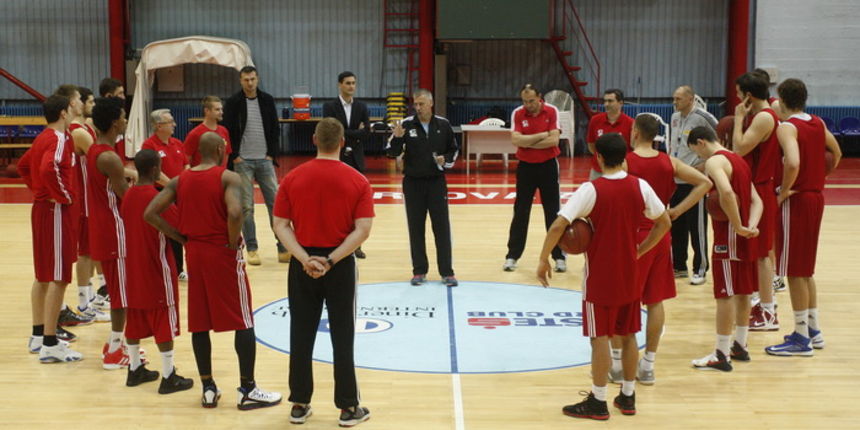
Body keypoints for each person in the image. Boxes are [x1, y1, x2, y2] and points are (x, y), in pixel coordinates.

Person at [536, 132, 670, 420]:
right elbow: (664, 222)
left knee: (599, 338)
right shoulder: (641, 186)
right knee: (629, 335)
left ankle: (598, 401)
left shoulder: (591, 190)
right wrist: (641, 250)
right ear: (624, 157)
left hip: (600, 278)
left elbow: (558, 225)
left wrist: (543, 258)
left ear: (597, 158)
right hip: (630, 274)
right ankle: (628, 396)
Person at [145, 131, 281, 410]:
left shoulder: (180, 180)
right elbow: (235, 213)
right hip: (222, 252)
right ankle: (247, 389)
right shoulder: (227, 177)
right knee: (243, 319)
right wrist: (231, 242)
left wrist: (181, 238)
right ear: (220, 150)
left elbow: (150, 213)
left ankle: (208, 388)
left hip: (195, 254)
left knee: (200, 322)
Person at [273, 118, 374, 427]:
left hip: (302, 265)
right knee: (343, 336)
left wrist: (305, 259)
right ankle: (348, 407)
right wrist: (329, 261)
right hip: (339, 265)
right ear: (342, 142)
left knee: (301, 334)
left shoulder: (292, 178)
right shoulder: (358, 180)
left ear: (314, 140)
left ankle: (299, 404)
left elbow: (280, 225)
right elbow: (362, 230)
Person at [619, 114, 711, 385]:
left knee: (626, 301)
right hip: (661, 235)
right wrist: (677, 211)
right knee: (655, 301)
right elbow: (705, 183)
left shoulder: (626, 162)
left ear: (636, 133)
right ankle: (648, 365)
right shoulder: (669, 162)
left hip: (635, 236)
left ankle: (618, 364)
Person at [766, 78, 842, 356]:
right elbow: (836, 152)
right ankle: (813, 330)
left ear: (782, 98)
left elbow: (793, 162)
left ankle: (800, 339)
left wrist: (785, 190)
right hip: (816, 197)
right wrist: (817, 176)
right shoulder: (818, 122)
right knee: (806, 269)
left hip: (796, 200)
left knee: (795, 271)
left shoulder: (787, 127)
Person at [687, 126, 762, 371]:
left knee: (725, 294)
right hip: (745, 236)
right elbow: (757, 201)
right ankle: (740, 345)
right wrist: (750, 226)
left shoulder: (714, 162)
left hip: (728, 236)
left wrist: (737, 225)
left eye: (696, 151)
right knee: (743, 292)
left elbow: (727, 193)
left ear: (701, 142)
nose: (699, 156)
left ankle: (721, 354)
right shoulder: (739, 160)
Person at [120, 149, 194, 393]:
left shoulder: (128, 195)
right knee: (163, 318)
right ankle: (168, 375)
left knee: (134, 317)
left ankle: (134, 368)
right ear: (154, 170)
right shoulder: (156, 198)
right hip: (156, 265)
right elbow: (181, 226)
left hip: (131, 266)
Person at [18, 94, 83, 362]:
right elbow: (48, 168)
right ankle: (50, 343)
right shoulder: (57, 139)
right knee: (59, 277)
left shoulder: (45, 137)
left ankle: (37, 336)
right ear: (63, 113)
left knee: (44, 275)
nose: (75, 109)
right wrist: (63, 196)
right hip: (55, 211)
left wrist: (38, 192)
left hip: (43, 210)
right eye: (71, 107)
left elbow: (23, 165)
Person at [386, 89, 459, 286]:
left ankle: (447, 272)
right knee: (416, 228)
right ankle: (419, 271)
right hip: (413, 183)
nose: (418, 108)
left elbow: (454, 149)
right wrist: (397, 138)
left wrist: (446, 160)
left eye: (421, 104)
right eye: (416, 104)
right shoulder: (405, 124)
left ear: (431, 104)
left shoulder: (443, 124)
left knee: (441, 228)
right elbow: (391, 152)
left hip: (436, 183)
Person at [223, 66, 288, 265]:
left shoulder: (267, 100)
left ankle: (283, 247)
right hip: (243, 161)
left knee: (275, 204)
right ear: (240, 81)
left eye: (252, 79)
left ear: (257, 79)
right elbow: (227, 130)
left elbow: (275, 128)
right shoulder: (233, 102)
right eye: (246, 80)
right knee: (246, 207)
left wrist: (271, 154)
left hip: (265, 160)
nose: (250, 83)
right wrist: (235, 156)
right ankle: (252, 248)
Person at [88, 97, 135, 370]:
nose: (126, 120)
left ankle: (115, 344)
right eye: (123, 116)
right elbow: (126, 197)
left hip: (102, 226)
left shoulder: (96, 150)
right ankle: (115, 351)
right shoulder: (109, 157)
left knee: (119, 291)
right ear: (115, 122)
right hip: (114, 229)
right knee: (122, 295)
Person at [732, 72, 781, 331]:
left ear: (748, 96)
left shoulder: (763, 117)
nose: (737, 99)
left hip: (760, 189)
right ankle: (759, 304)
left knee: (762, 255)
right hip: (754, 187)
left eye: (739, 94)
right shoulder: (760, 115)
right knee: (755, 253)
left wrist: (738, 119)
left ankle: (769, 312)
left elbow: (739, 149)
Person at [504, 84, 565, 273]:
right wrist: (542, 135)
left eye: (531, 101)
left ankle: (559, 256)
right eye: (525, 101)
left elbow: (554, 141)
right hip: (526, 167)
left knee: (553, 211)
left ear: (540, 97)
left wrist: (528, 141)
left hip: (548, 166)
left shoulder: (552, 111)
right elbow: (516, 140)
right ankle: (512, 255)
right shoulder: (518, 113)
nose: (528, 105)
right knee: (521, 211)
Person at [67, 86, 111, 322]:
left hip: (90, 196)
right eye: (90, 102)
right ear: (79, 103)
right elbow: (100, 159)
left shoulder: (86, 128)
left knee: (92, 249)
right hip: (82, 198)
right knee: (85, 252)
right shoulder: (77, 131)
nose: (93, 105)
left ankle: (93, 296)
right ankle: (84, 303)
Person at [669, 85, 718, 284]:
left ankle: (700, 268)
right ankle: (679, 266)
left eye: (678, 98)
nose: (674, 102)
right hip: (675, 179)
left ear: (690, 99)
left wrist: (705, 163)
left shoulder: (703, 117)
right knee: (676, 224)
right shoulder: (674, 117)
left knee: (697, 227)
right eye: (674, 98)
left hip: (695, 180)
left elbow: (719, 141)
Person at [323, 71, 371, 259]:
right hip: (337, 158)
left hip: (356, 160)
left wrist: (345, 132)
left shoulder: (362, 107)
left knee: (356, 204)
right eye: (348, 83)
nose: (351, 86)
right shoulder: (329, 107)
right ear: (340, 85)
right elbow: (331, 132)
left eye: (353, 83)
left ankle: (356, 245)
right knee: (335, 203)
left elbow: (366, 133)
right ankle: (335, 241)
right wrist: (354, 132)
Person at [141, 109, 189, 280]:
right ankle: (161, 267)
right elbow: (155, 173)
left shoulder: (177, 143)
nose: (174, 124)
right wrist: (174, 187)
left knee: (179, 229)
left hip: (179, 192)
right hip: (161, 193)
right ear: (159, 126)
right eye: (170, 122)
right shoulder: (149, 145)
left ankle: (178, 268)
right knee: (163, 230)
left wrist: (185, 184)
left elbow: (186, 165)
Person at [585, 89, 634, 180]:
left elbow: (632, 148)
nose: (606, 104)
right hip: (598, 170)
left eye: (610, 101)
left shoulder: (630, 123)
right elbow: (591, 146)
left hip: (621, 171)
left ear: (621, 103)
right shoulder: (595, 120)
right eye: (605, 101)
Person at [185, 95, 232, 168]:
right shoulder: (195, 133)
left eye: (221, 109)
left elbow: (226, 153)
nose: (221, 112)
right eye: (217, 109)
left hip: (220, 173)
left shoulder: (224, 131)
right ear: (207, 111)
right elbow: (186, 158)